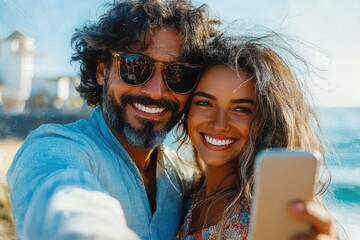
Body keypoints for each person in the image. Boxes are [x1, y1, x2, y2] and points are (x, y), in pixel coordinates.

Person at [6, 0, 218, 239]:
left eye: (179, 74)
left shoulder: (182, 178)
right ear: (101, 71)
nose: (156, 92)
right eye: (135, 67)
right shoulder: (52, 148)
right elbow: (64, 206)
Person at [175, 34, 339, 239]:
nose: (219, 124)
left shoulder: (263, 215)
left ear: (266, 121)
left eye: (241, 109)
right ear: (186, 110)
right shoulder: (187, 194)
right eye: (205, 103)